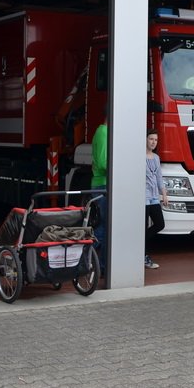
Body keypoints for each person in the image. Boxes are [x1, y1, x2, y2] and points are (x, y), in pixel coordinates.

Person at [144, 129, 167, 270]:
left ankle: (139, 245)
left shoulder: (156, 158)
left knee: (160, 223)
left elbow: (159, 177)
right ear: (145, 139)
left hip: (153, 196)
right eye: (151, 139)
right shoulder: (139, 156)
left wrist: (164, 194)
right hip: (143, 196)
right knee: (143, 226)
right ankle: (144, 256)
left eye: (156, 140)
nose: (153, 142)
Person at [90, 110, 108, 269]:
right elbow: (103, 162)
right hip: (103, 184)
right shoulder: (103, 132)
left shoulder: (103, 131)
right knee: (104, 226)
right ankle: (86, 257)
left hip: (102, 184)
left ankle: (101, 265)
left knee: (104, 225)